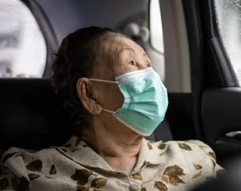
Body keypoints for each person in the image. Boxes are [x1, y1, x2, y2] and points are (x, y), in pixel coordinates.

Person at [0, 27, 224, 191]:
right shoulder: (27, 172)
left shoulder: (195, 156)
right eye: (131, 64)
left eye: (148, 65)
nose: (150, 77)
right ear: (89, 95)